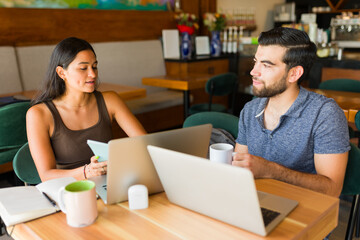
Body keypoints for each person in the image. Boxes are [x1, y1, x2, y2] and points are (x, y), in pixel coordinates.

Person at [233, 27, 350, 197]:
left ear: (294, 74)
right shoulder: (250, 110)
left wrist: (270, 170)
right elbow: (239, 171)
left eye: (266, 65)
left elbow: (332, 189)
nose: (253, 72)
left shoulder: (325, 114)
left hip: (303, 210)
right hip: (253, 202)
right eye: (255, 61)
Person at [26, 37, 146, 182]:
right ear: (61, 73)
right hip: (69, 190)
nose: (93, 74)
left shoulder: (110, 100)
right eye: (83, 68)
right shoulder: (39, 114)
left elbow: (144, 143)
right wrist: (86, 171)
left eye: (94, 66)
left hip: (108, 184)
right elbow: (46, 176)